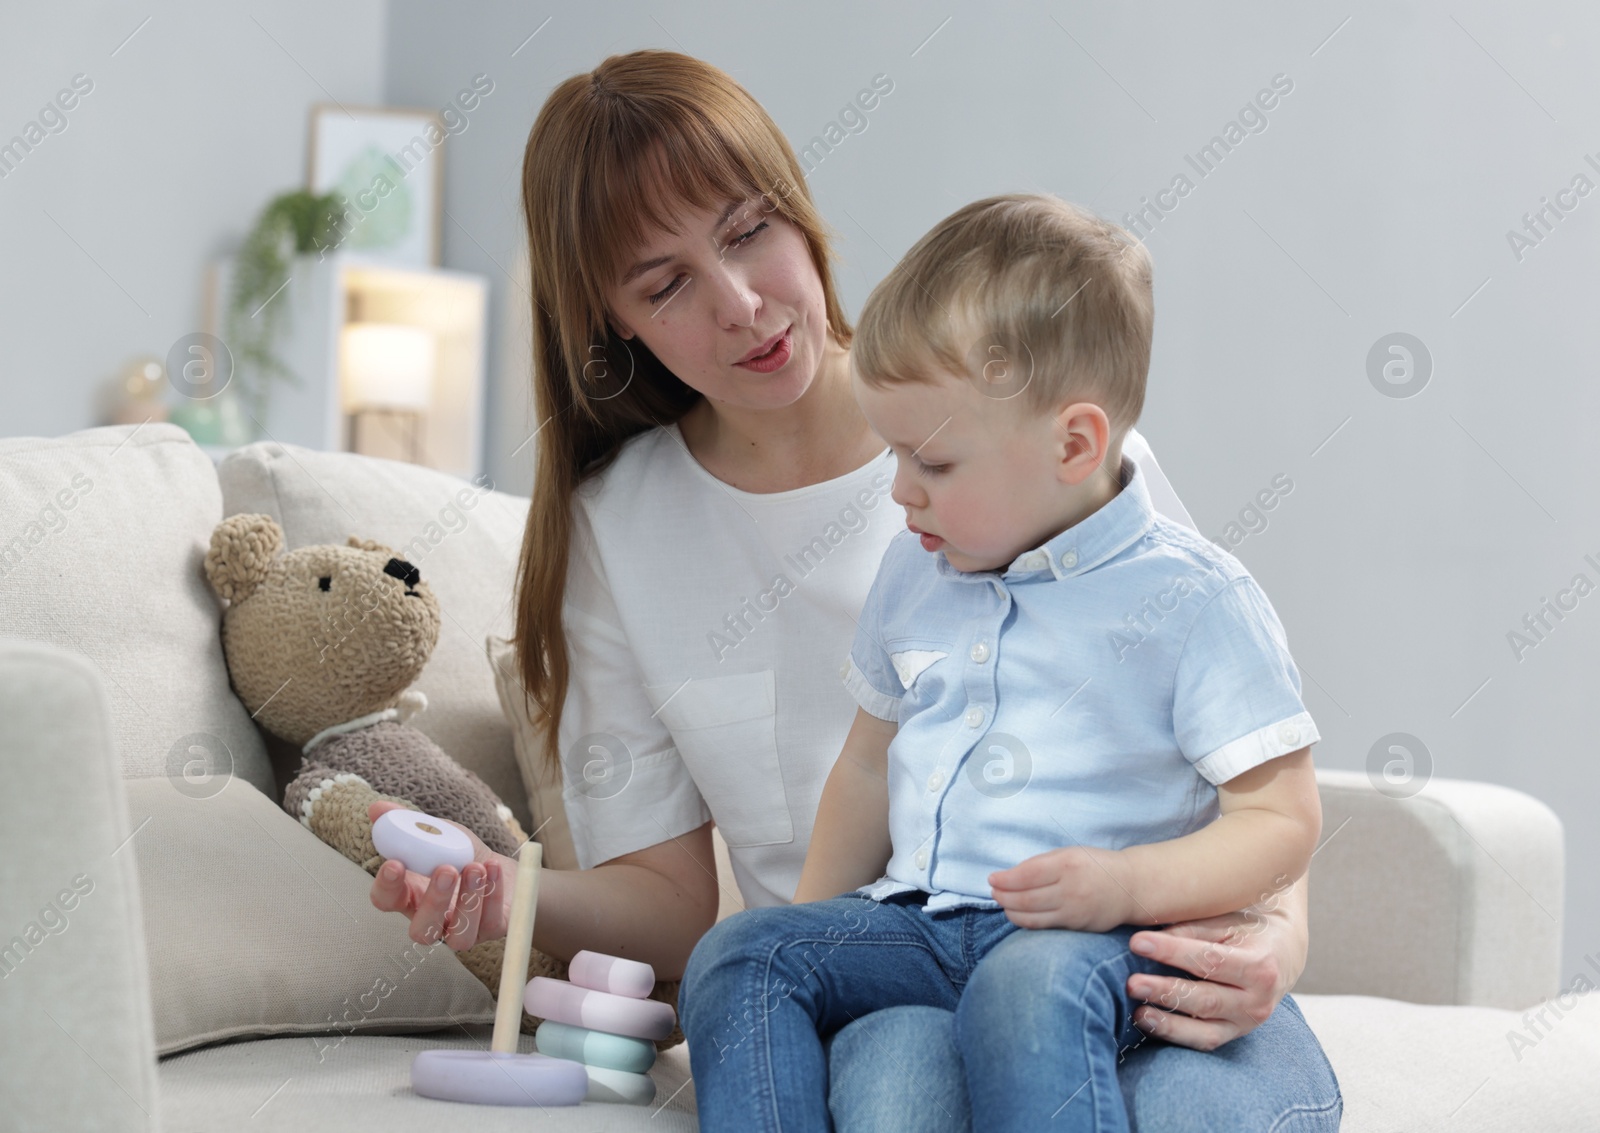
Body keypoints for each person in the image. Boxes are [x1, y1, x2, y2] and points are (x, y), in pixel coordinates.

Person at [367, 49, 1342, 1130]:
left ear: (797, 213)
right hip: (887, 965)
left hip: (1106, 947)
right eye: (666, 282)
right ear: (612, 322)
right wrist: (508, 894)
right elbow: (677, 896)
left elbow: (1240, 768)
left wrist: (1275, 936)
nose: (740, 303)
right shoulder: (619, 531)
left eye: (747, 232)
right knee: (894, 1096)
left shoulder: (1034, 445)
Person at [677, 193, 1337, 1132]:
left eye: (933, 463)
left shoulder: (1196, 600)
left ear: (1074, 444)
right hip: (921, 923)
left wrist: (1127, 886)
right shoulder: (917, 568)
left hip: (1098, 938)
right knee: (742, 953)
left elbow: (1280, 818)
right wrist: (815, 939)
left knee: (1027, 985)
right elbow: (867, 765)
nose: (900, 490)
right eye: (894, 453)